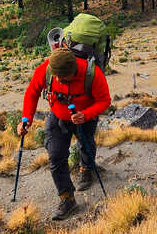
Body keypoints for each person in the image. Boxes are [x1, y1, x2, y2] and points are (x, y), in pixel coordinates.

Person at [18, 47, 111, 220]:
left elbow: (105, 100)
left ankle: (86, 169)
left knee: (86, 144)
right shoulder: (47, 69)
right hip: (57, 117)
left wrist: (86, 115)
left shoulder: (92, 73)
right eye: (56, 76)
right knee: (55, 155)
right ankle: (67, 198)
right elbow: (32, 93)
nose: (58, 80)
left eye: (63, 77)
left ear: (74, 71)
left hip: (84, 118)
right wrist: (26, 119)